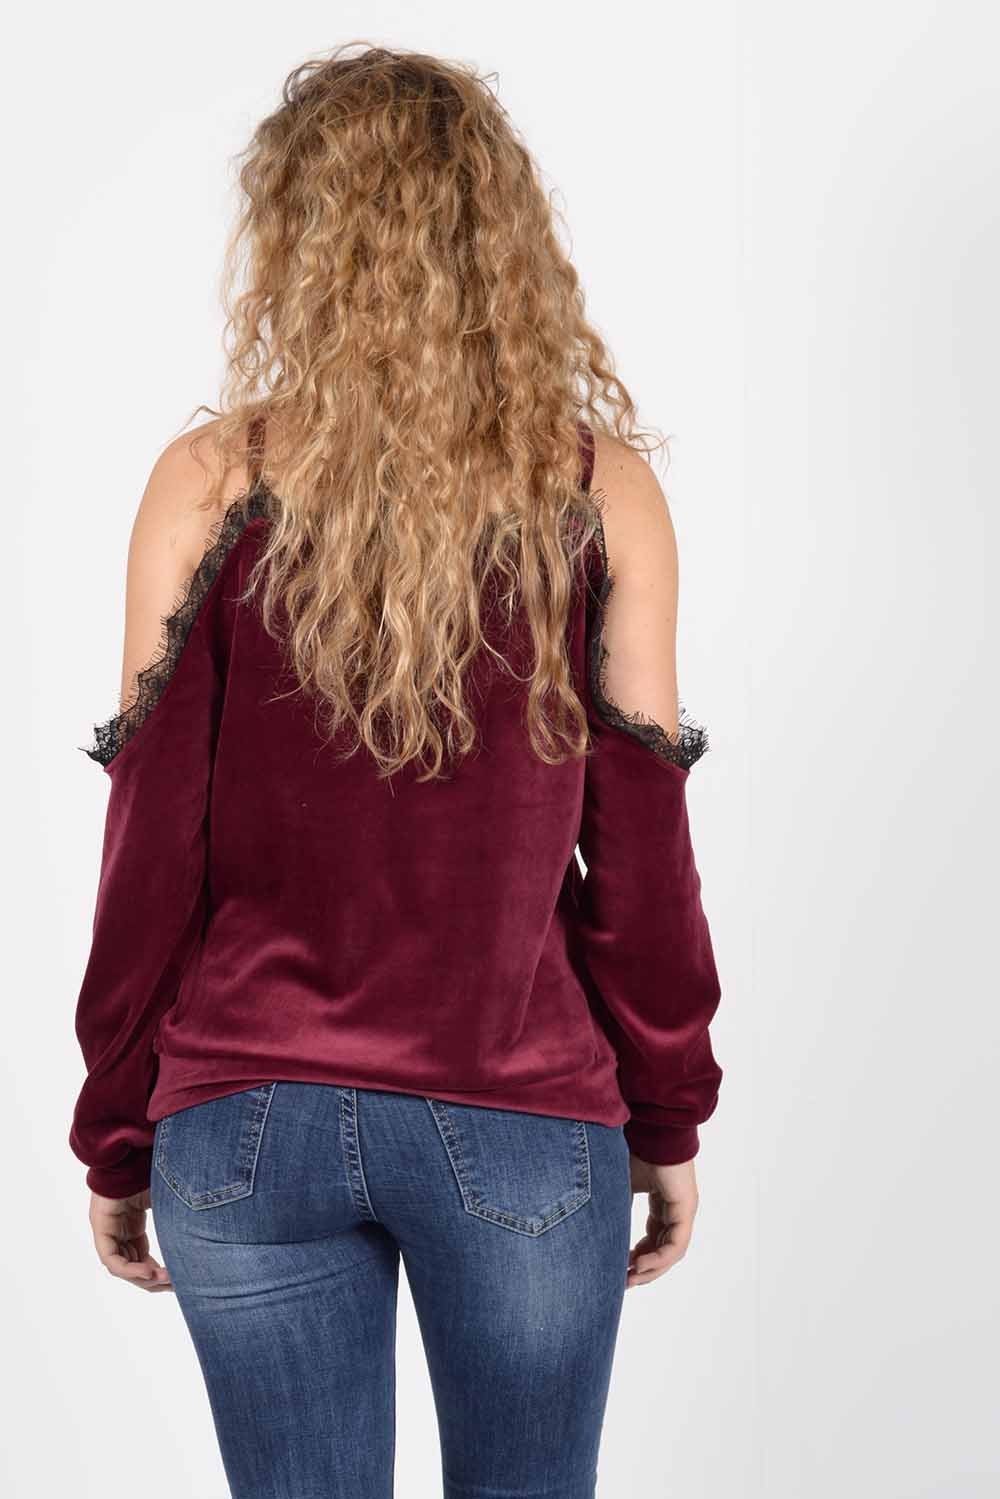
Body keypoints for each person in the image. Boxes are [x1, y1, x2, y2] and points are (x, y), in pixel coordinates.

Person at [69, 42, 723, 1499]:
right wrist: (668, 1107)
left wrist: (116, 1127)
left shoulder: (210, 484)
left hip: (242, 1120)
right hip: (521, 1114)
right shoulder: (596, 492)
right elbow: (642, 864)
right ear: (504, 240)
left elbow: (148, 855)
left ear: (294, 239)